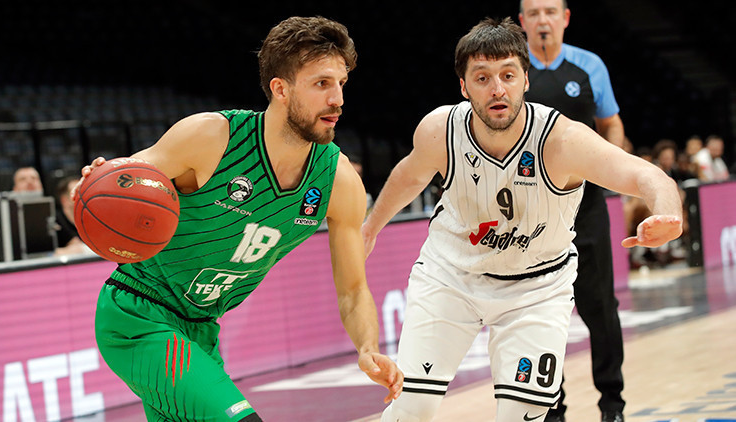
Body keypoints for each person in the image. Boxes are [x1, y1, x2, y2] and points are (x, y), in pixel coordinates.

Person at [74, 16, 402, 422]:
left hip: (202, 329)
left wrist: (367, 348)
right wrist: (94, 181)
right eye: (321, 83)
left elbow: (352, 289)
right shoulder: (211, 137)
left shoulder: (338, 181)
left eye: (341, 83)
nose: (337, 99)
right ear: (280, 89)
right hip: (138, 315)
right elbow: (123, 179)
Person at [361, 17, 682, 422]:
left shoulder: (561, 140)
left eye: (508, 75)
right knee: (412, 409)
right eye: (482, 78)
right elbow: (410, 175)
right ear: (464, 87)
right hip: (450, 277)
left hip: (536, 289)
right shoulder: (440, 130)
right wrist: (370, 227)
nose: (497, 89)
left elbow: (646, 175)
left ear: (526, 80)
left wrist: (668, 212)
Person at [519, 1, 627, 420]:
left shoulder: (589, 66)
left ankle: (612, 404)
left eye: (550, 12)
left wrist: (610, 163)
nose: (542, 20)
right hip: (531, 215)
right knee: (540, 314)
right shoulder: (512, 70)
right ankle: (552, 409)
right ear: (522, 21)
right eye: (533, 13)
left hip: (587, 207)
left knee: (600, 308)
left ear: (564, 18)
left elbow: (611, 123)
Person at [53, 176, 91, 256]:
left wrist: (82, 249)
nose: (83, 196)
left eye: (84, 191)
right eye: (77, 193)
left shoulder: (93, 219)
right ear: (64, 200)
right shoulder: (53, 221)